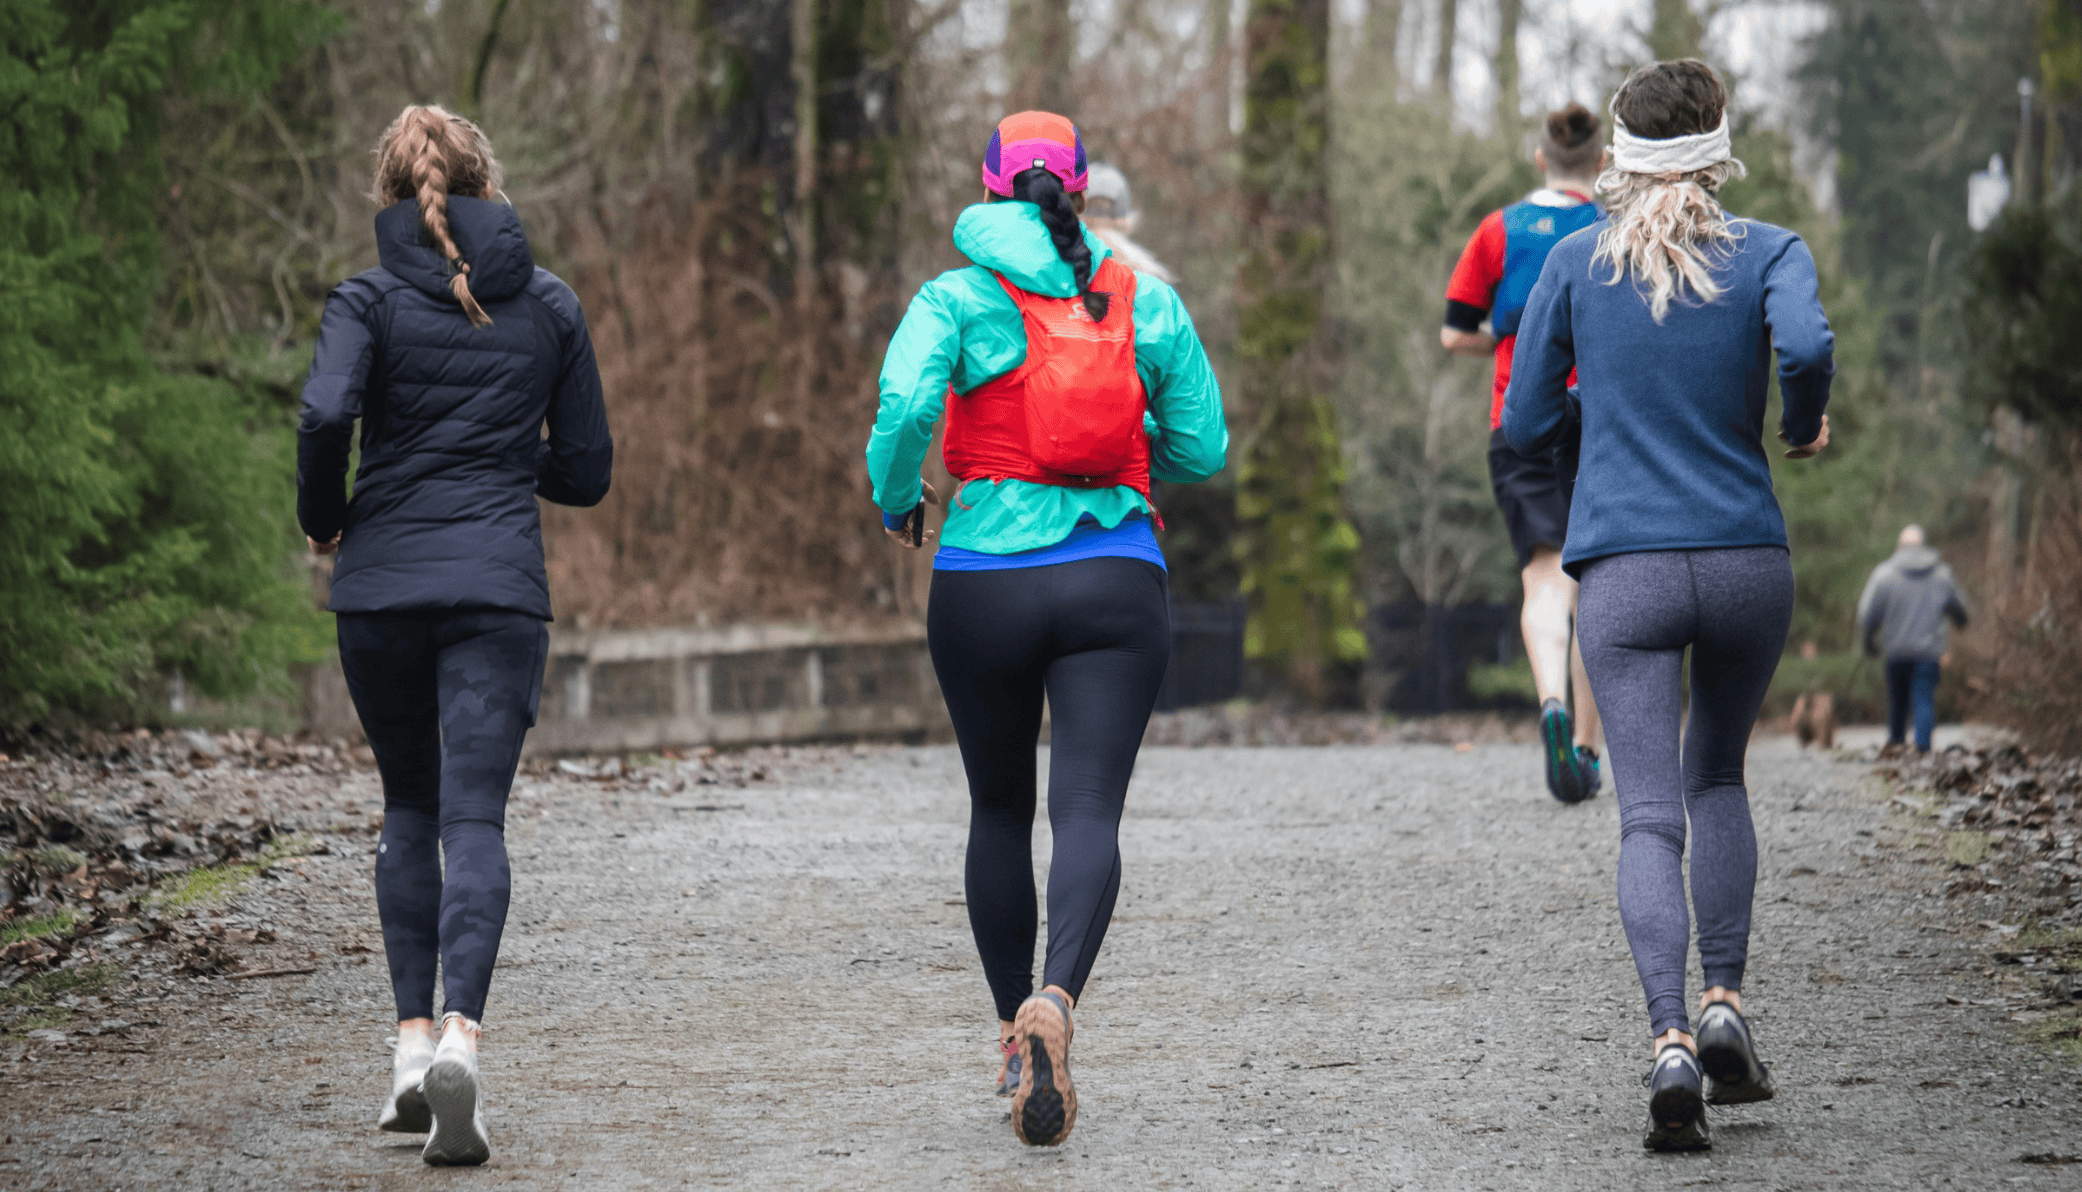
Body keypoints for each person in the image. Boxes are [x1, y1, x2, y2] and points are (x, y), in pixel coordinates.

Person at [865, 111, 1226, 1148]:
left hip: (983, 578)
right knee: (1088, 810)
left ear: (988, 189)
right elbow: (1204, 446)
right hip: (1115, 576)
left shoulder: (958, 295)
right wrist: (1130, 437)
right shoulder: (1136, 294)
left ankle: (1012, 1035)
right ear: (1077, 187)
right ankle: (1058, 1002)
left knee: (996, 809)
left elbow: (901, 403)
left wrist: (900, 498)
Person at [1502, 59, 1834, 1152]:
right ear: (1719, 143)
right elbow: (1814, 347)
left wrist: (1568, 451)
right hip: (1745, 559)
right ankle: (1728, 999)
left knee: (1648, 814)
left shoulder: (1574, 262)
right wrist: (1798, 424)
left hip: (1626, 571)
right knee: (1719, 774)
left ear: (1619, 152)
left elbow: (1524, 419)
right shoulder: (1770, 251)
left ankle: (1670, 1042)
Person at [297, 104, 612, 1167]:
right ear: (488, 185)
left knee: (407, 805)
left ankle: (407, 1051)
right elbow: (587, 470)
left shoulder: (365, 300)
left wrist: (322, 516)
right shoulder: (552, 304)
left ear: (392, 193)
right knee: (473, 817)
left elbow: (323, 416)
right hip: (495, 592)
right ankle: (465, 1041)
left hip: (381, 588)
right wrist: (495, 460)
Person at [1443, 103, 1610, 804]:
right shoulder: (1611, 232)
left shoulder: (1497, 230)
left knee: (1544, 580)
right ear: (1601, 164)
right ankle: (1587, 752)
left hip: (1517, 420)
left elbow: (1454, 333)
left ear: (1540, 158)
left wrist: (1509, 343)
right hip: (1599, 425)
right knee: (1599, 585)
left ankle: (1549, 704)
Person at [1857, 524, 1970, 755]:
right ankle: (1923, 749)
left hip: (1895, 651)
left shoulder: (1884, 574)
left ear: (1899, 546)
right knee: (1923, 699)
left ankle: (1897, 744)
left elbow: (1868, 614)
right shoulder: (1941, 574)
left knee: (1898, 700)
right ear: (1922, 546)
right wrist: (1959, 621)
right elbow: (1959, 608)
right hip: (1928, 651)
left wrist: (1869, 643)